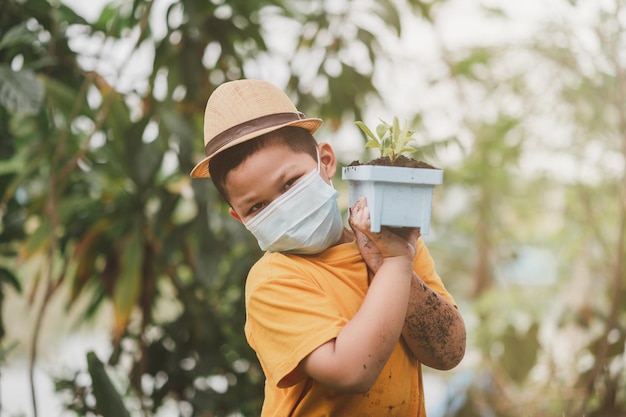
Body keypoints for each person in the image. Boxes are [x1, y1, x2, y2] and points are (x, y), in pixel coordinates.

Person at [190, 79, 466, 416]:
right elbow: (351, 371)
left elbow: (448, 351)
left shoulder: (394, 239)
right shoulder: (272, 282)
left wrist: (396, 259)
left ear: (326, 160)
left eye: (290, 183)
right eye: (257, 207)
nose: (282, 206)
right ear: (238, 217)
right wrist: (394, 263)